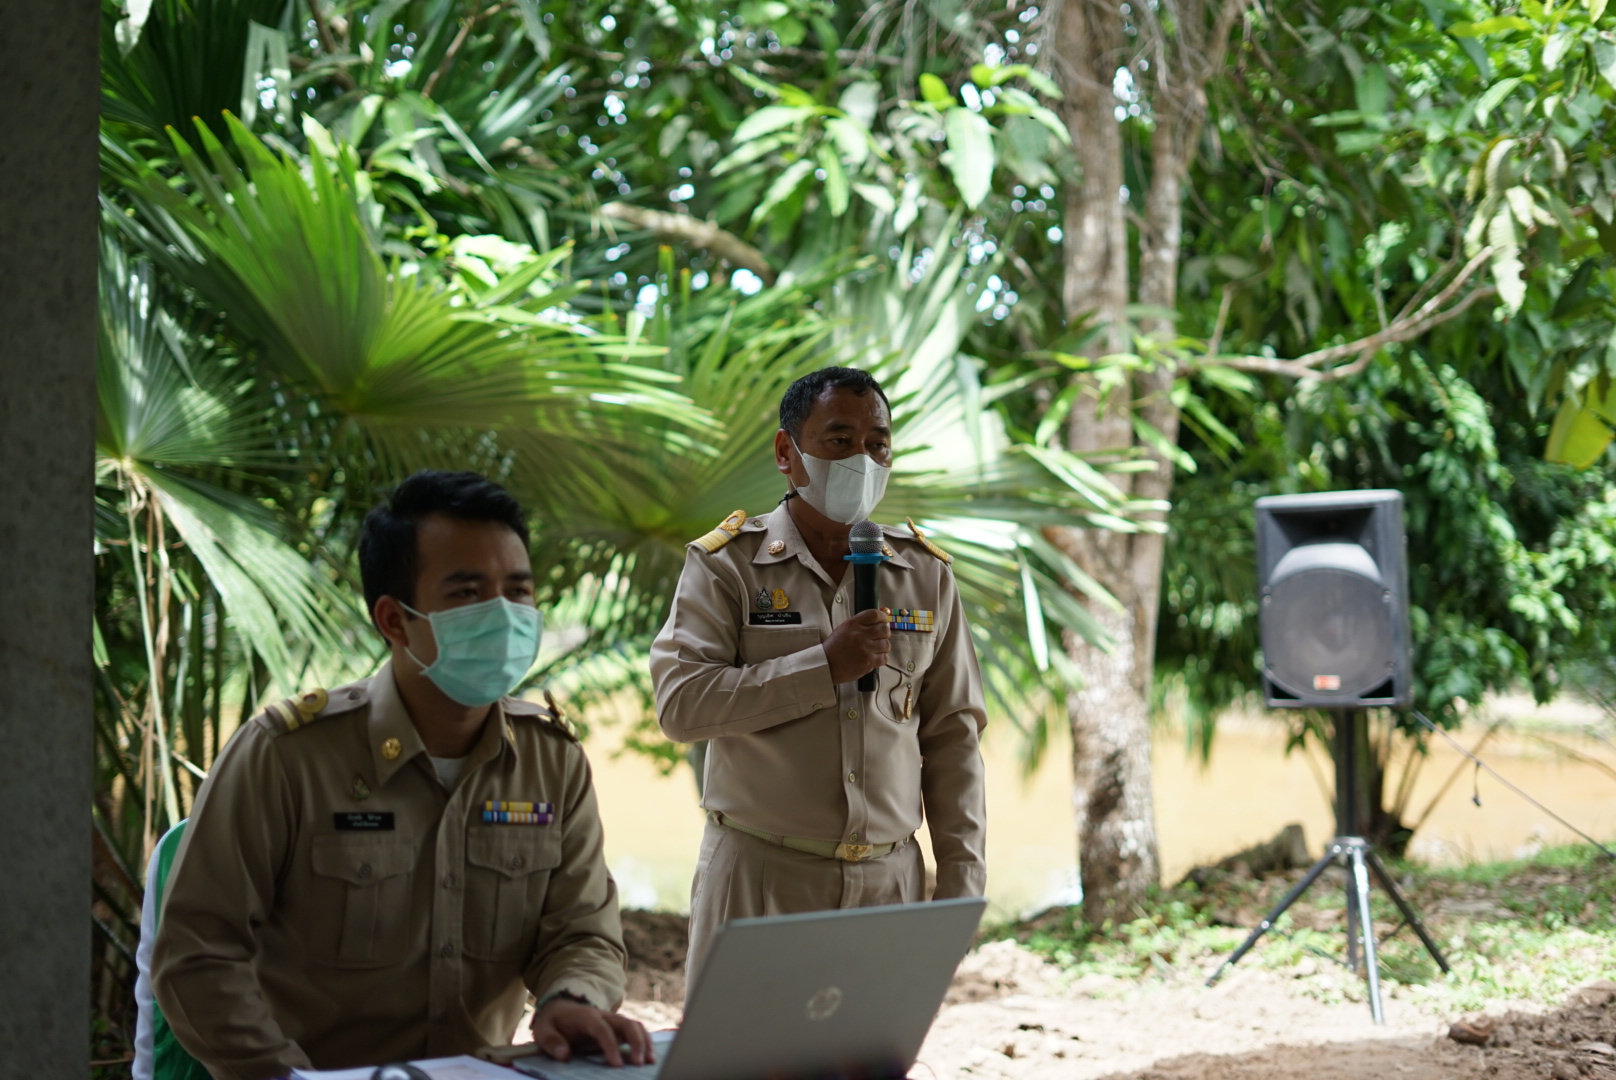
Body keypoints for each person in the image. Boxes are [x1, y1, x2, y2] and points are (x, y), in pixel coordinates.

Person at [152, 470, 651, 1080]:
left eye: (518, 592)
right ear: (394, 620)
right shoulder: (286, 756)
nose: (504, 614)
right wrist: (283, 1076)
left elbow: (582, 933)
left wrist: (570, 1000)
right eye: (468, 593)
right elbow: (198, 953)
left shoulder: (552, 761)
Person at [650, 366, 988, 984]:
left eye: (877, 443)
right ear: (788, 452)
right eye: (839, 440)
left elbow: (952, 736)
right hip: (760, 878)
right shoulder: (728, 567)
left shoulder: (925, 573)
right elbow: (682, 705)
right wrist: (823, 667)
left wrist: (963, 881)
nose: (862, 458)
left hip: (891, 885)